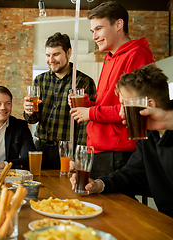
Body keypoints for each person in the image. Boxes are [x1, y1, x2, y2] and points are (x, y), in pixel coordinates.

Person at [70, 64, 173, 218]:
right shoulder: (148, 138)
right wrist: (98, 184)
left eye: (124, 104)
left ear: (149, 105)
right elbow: (131, 174)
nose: (119, 112)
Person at [70, 1, 155, 179]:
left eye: (99, 29)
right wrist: (88, 105)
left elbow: (134, 109)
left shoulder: (137, 55)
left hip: (117, 152)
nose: (94, 36)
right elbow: (110, 104)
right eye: (92, 31)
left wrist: (90, 113)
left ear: (118, 24)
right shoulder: (109, 58)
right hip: (98, 148)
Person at [23, 32, 96, 170]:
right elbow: (32, 120)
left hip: (67, 150)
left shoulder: (84, 82)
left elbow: (86, 125)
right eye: (47, 55)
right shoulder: (40, 80)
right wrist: (29, 112)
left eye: (56, 54)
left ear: (68, 53)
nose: (51, 59)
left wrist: (77, 157)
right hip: (40, 147)